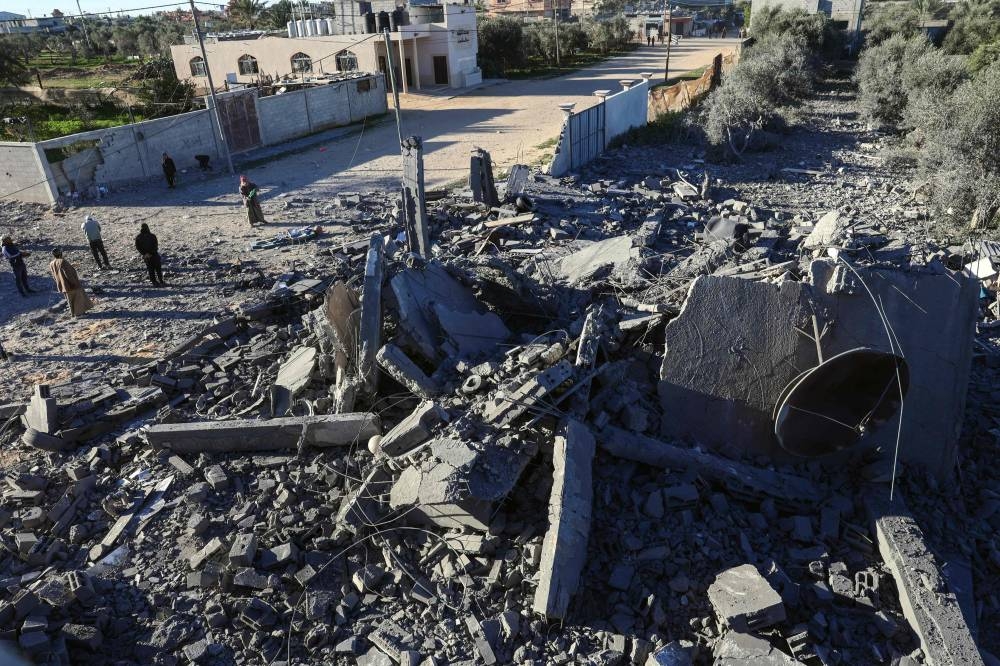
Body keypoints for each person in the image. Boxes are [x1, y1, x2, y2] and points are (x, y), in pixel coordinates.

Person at [49, 249, 94, 317]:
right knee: (77, 299)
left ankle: (74, 313)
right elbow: (68, 274)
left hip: (63, 286)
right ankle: (79, 314)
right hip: (70, 285)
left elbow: (54, 275)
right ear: (61, 254)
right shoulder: (63, 261)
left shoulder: (51, 263)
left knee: (70, 300)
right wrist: (74, 283)